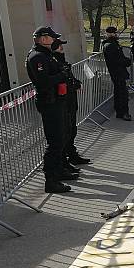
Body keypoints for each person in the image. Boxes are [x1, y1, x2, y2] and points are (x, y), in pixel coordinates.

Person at [26, 27, 75, 193]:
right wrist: (62, 75)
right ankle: (51, 179)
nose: (54, 40)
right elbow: (43, 81)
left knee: (61, 137)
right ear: (43, 38)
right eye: (52, 37)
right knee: (55, 142)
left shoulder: (47, 55)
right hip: (49, 102)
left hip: (57, 101)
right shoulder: (37, 57)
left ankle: (59, 170)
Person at [50, 36, 89, 170]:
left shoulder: (62, 62)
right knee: (65, 131)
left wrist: (76, 83)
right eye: (60, 46)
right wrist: (72, 86)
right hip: (64, 101)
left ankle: (71, 154)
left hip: (71, 101)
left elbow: (69, 78)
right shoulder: (54, 62)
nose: (62, 48)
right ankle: (65, 160)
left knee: (72, 129)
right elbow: (59, 82)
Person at [103, 26, 132, 120]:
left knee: (119, 92)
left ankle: (120, 111)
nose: (116, 34)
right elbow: (116, 60)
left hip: (118, 72)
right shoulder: (110, 46)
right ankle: (124, 112)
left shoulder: (113, 44)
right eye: (114, 33)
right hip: (118, 72)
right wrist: (127, 61)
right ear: (110, 34)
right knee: (122, 93)